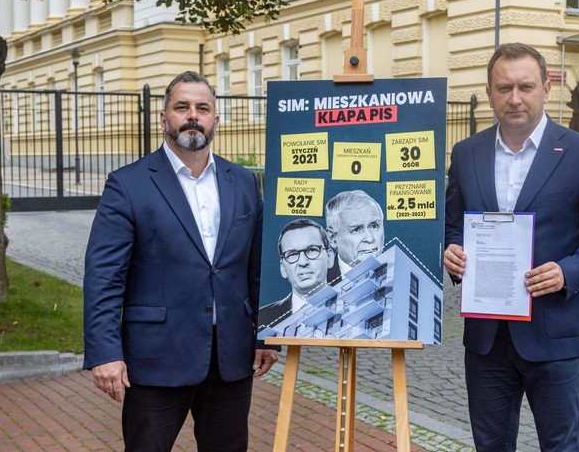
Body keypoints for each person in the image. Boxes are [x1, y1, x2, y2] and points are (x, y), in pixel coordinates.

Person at [443, 43, 579, 452]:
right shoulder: (466, 153)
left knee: (561, 445)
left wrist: (567, 272)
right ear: (489, 92)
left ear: (546, 89)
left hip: (555, 334)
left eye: (526, 86)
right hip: (487, 338)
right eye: (504, 87)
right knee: (490, 446)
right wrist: (452, 249)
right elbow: (453, 224)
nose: (515, 98)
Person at [83, 70, 278, 452]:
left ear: (215, 119)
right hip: (157, 356)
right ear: (164, 118)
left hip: (231, 357)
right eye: (182, 107)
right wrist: (105, 353)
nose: (192, 115)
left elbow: (257, 269)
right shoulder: (128, 184)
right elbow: (104, 277)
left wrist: (265, 336)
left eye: (202, 108)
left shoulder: (243, 182)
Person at [259, 218, 334, 327]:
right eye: (292, 254)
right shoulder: (263, 319)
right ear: (283, 268)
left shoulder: (353, 305)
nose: (303, 262)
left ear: (330, 257)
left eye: (312, 250)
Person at [324, 190, 385, 283]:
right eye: (356, 230)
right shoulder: (316, 283)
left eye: (374, 226)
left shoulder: (401, 273)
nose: (370, 239)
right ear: (332, 238)